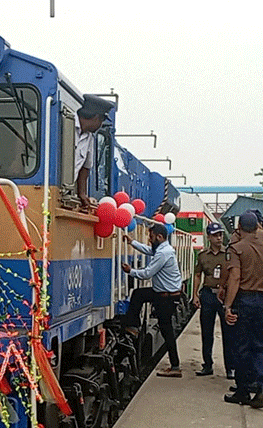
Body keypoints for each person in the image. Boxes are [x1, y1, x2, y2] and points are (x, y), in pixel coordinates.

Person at [222, 211, 263, 409]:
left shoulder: (236, 248)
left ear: (239, 228)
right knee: (261, 345)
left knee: (241, 346)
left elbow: (235, 278)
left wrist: (228, 306)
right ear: (257, 227)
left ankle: (242, 390)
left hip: (244, 300)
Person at [120, 222, 183, 378]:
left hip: (166, 297)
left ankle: (175, 366)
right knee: (139, 295)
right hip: (163, 293)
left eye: (151, 236)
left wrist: (130, 271)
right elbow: (149, 250)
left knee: (166, 329)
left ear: (160, 237)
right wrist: (132, 242)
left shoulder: (163, 253)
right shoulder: (163, 249)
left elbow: (147, 273)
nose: (149, 239)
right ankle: (133, 326)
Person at [192, 222, 235, 378]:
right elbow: (198, 275)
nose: (219, 238)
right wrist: (195, 294)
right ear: (209, 237)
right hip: (209, 294)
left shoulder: (230, 254)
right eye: (215, 235)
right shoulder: (203, 256)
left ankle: (230, 367)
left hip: (225, 296)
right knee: (207, 332)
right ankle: (207, 364)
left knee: (228, 332)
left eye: (220, 234)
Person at [74, 95, 114, 210]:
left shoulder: (90, 138)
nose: (101, 125)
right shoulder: (67, 124)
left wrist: (82, 193)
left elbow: (86, 167)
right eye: (101, 121)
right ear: (97, 117)